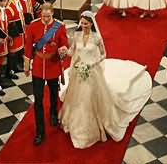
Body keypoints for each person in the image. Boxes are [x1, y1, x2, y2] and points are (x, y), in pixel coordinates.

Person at [59, 11, 152, 149]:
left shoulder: (96, 38)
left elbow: (103, 54)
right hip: (79, 70)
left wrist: (92, 63)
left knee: (90, 97)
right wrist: (65, 51)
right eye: (82, 23)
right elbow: (73, 51)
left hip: (92, 71)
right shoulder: (77, 35)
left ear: (91, 23)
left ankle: (93, 128)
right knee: (77, 98)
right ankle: (76, 124)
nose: (83, 26)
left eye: (85, 23)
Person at [24, 3, 69, 146]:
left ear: (52, 14)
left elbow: (64, 43)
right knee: (38, 100)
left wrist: (63, 49)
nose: (45, 19)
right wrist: (27, 64)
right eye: (43, 16)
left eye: (48, 16)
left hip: (53, 65)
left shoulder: (59, 26)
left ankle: (54, 114)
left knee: (53, 93)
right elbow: (28, 44)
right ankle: (40, 132)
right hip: (38, 67)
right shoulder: (33, 25)